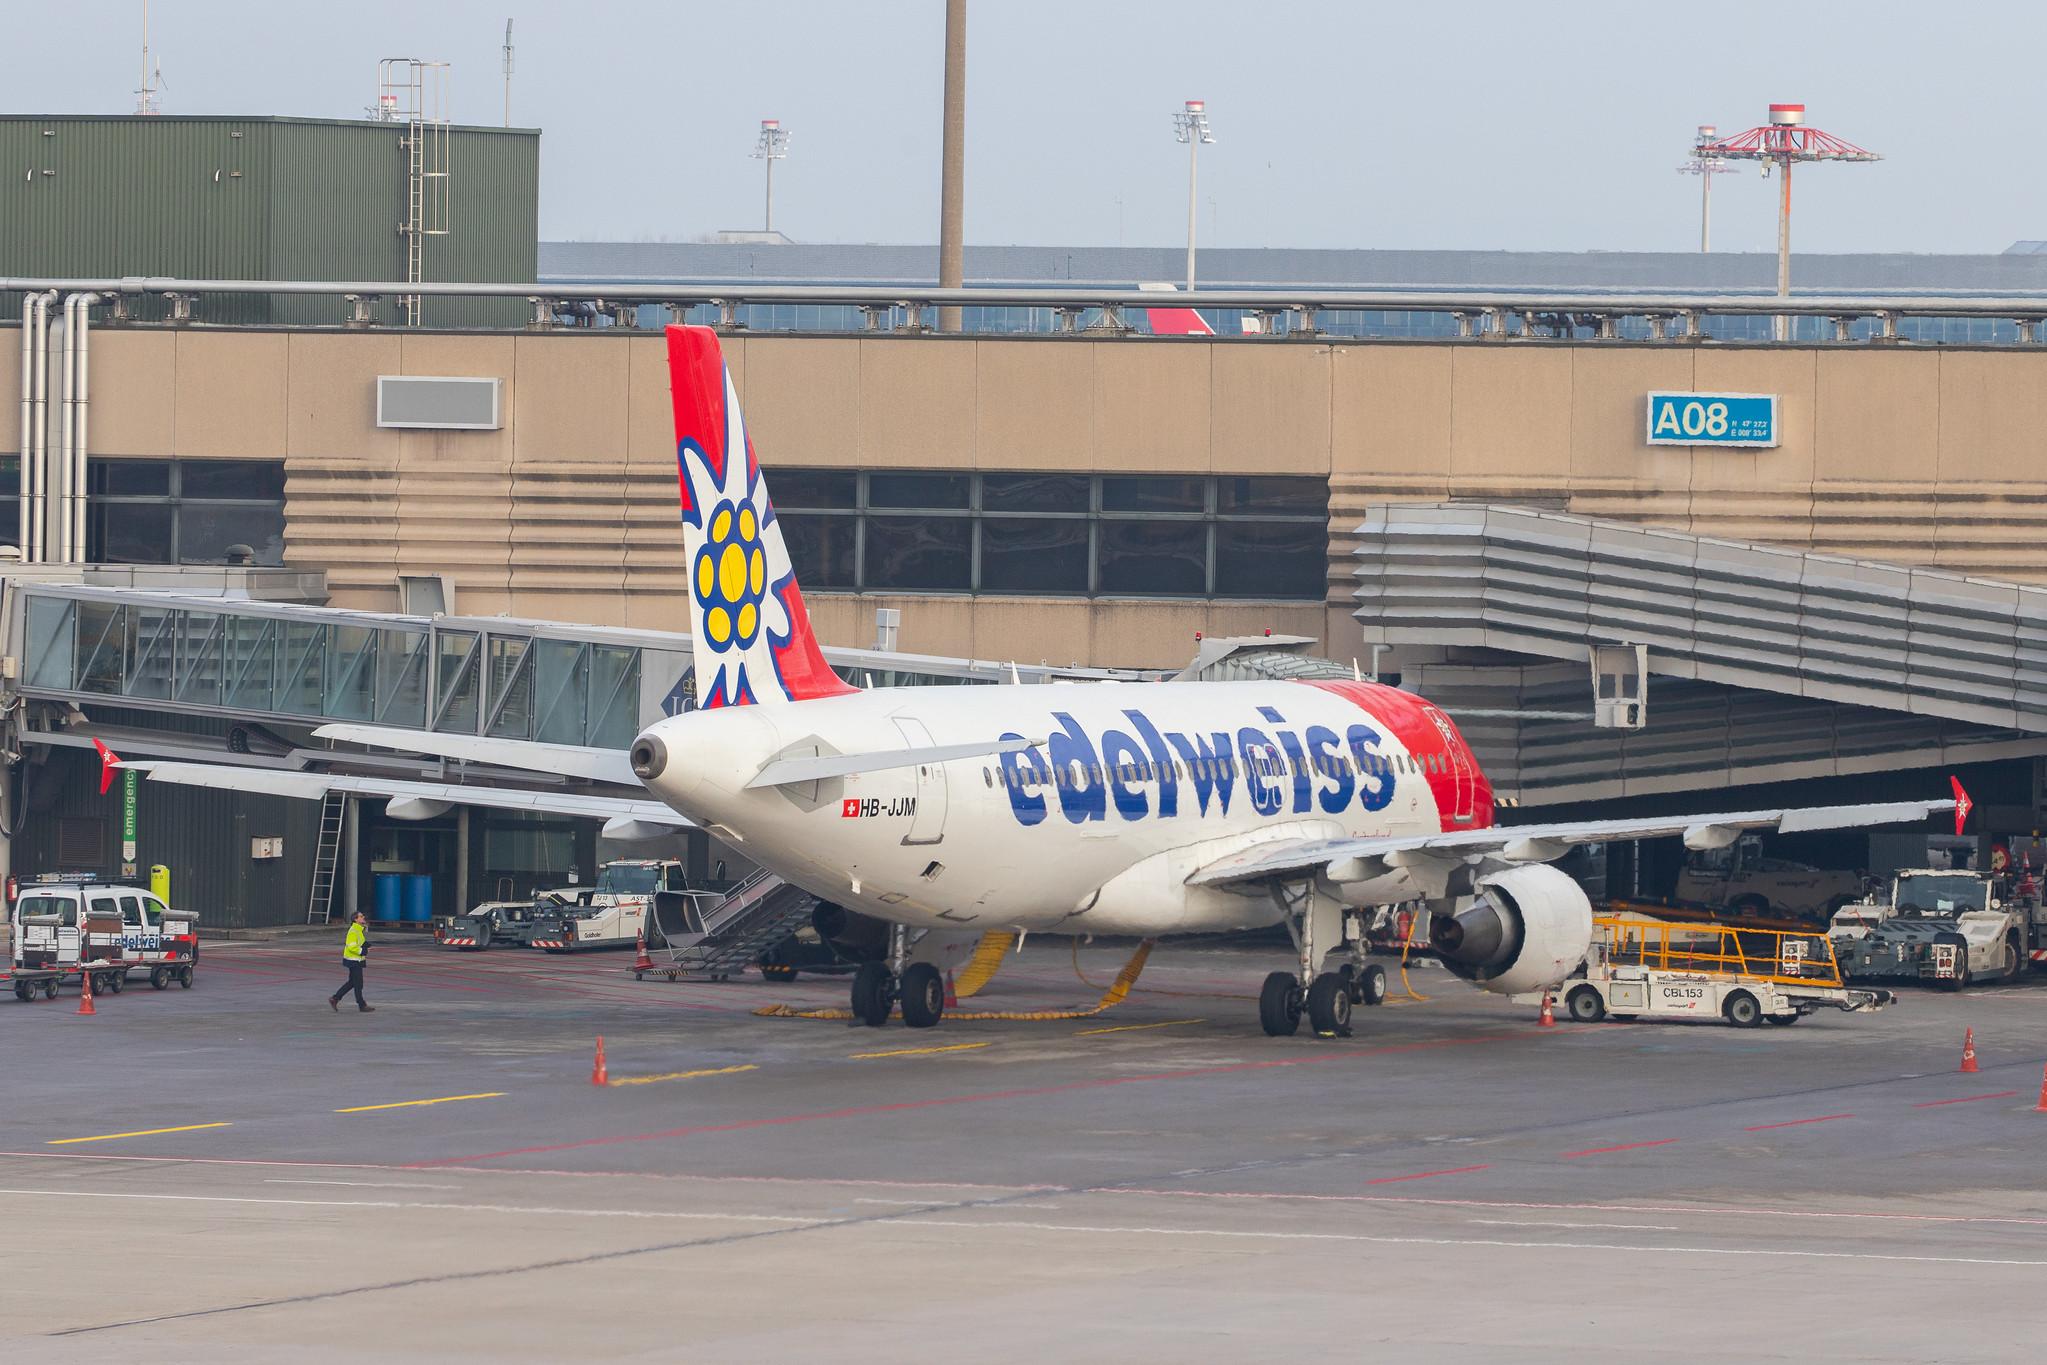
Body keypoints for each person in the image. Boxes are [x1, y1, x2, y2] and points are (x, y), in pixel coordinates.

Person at [328, 910, 374, 1012]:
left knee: (353, 982)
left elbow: (360, 942)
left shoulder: (358, 930)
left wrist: (367, 945)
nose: (363, 918)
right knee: (358, 983)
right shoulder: (353, 931)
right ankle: (361, 1005)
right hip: (354, 961)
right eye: (361, 916)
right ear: (355, 919)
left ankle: (335, 998)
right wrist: (364, 951)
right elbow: (352, 947)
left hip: (356, 960)